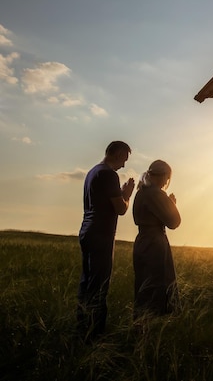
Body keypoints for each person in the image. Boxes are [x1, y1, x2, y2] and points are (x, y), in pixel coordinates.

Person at [77, 141, 135, 341]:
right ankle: (94, 335)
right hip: (102, 234)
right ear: (118, 154)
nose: (124, 165)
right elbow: (120, 209)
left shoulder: (93, 172)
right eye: (124, 159)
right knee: (99, 285)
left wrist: (119, 193)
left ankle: (81, 327)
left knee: (87, 282)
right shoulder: (109, 174)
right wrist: (126, 195)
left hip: (87, 231)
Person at [132, 160, 181, 318]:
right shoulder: (157, 194)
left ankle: (140, 323)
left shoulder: (141, 192)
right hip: (155, 243)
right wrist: (171, 204)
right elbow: (174, 222)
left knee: (143, 284)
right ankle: (154, 324)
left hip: (142, 241)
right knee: (158, 284)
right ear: (165, 177)